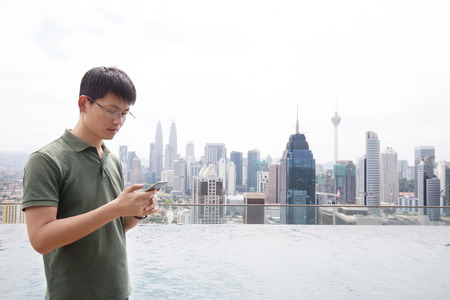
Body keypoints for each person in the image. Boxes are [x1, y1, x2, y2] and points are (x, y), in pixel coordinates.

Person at [22, 66, 156, 300]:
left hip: (119, 291)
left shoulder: (113, 160)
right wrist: (115, 208)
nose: (119, 121)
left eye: (125, 113)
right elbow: (41, 240)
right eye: (112, 110)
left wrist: (136, 213)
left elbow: (113, 227)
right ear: (84, 103)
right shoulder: (46, 160)